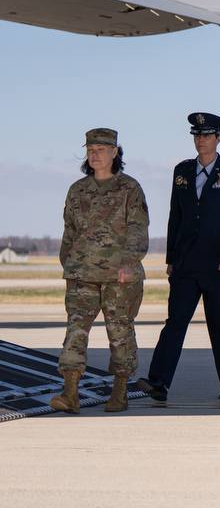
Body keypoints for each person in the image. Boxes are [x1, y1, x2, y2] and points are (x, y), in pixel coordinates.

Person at [139, 113, 220, 402]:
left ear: (218, 139)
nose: (201, 140)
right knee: (175, 322)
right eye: (197, 135)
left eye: (207, 135)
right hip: (187, 264)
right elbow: (175, 216)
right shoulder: (182, 171)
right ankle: (158, 382)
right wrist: (171, 258)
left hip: (219, 265)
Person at [48, 128, 149, 414]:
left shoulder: (129, 188)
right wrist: (67, 262)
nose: (95, 154)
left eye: (101, 149)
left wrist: (129, 263)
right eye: (91, 150)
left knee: (120, 333)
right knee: (75, 331)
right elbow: (69, 230)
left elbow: (138, 230)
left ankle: (120, 391)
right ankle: (70, 393)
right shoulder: (77, 190)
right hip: (81, 274)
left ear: (115, 152)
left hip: (119, 276)